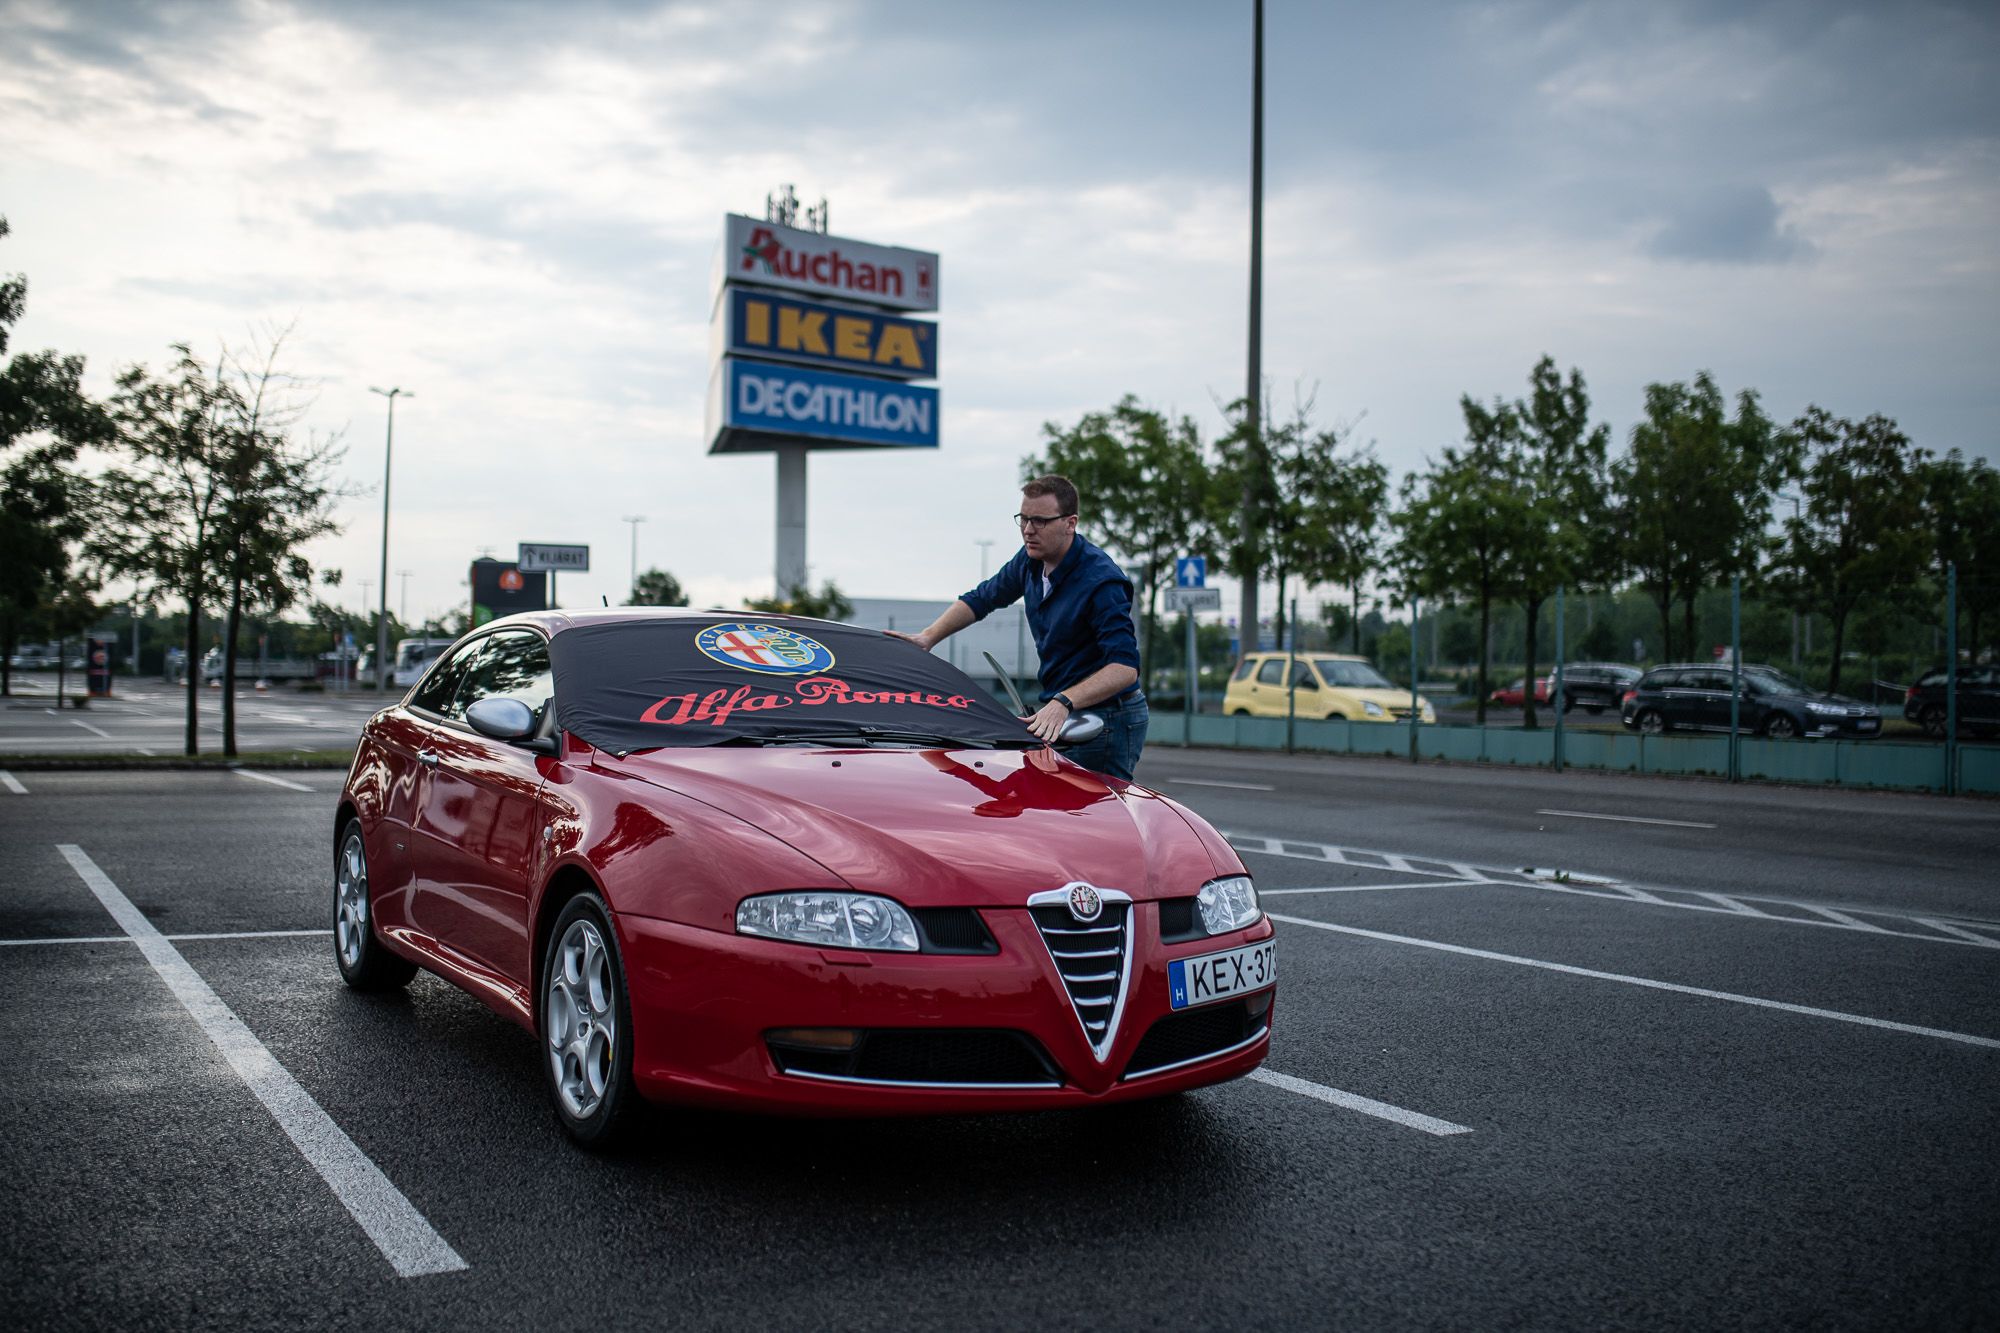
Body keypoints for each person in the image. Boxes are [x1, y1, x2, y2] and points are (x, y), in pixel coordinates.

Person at [889, 475, 1149, 781]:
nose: (1028, 530)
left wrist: (1064, 702)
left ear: (1070, 523)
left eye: (1039, 521)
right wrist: (928, 637)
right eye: (1023, 519)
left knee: (1093, 818)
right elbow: (982, 598)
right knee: (1044, 809)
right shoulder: (1029, 561)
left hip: (1108, 717)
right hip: (1060, 710)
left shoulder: (1102, 581)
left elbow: (1124, 667)